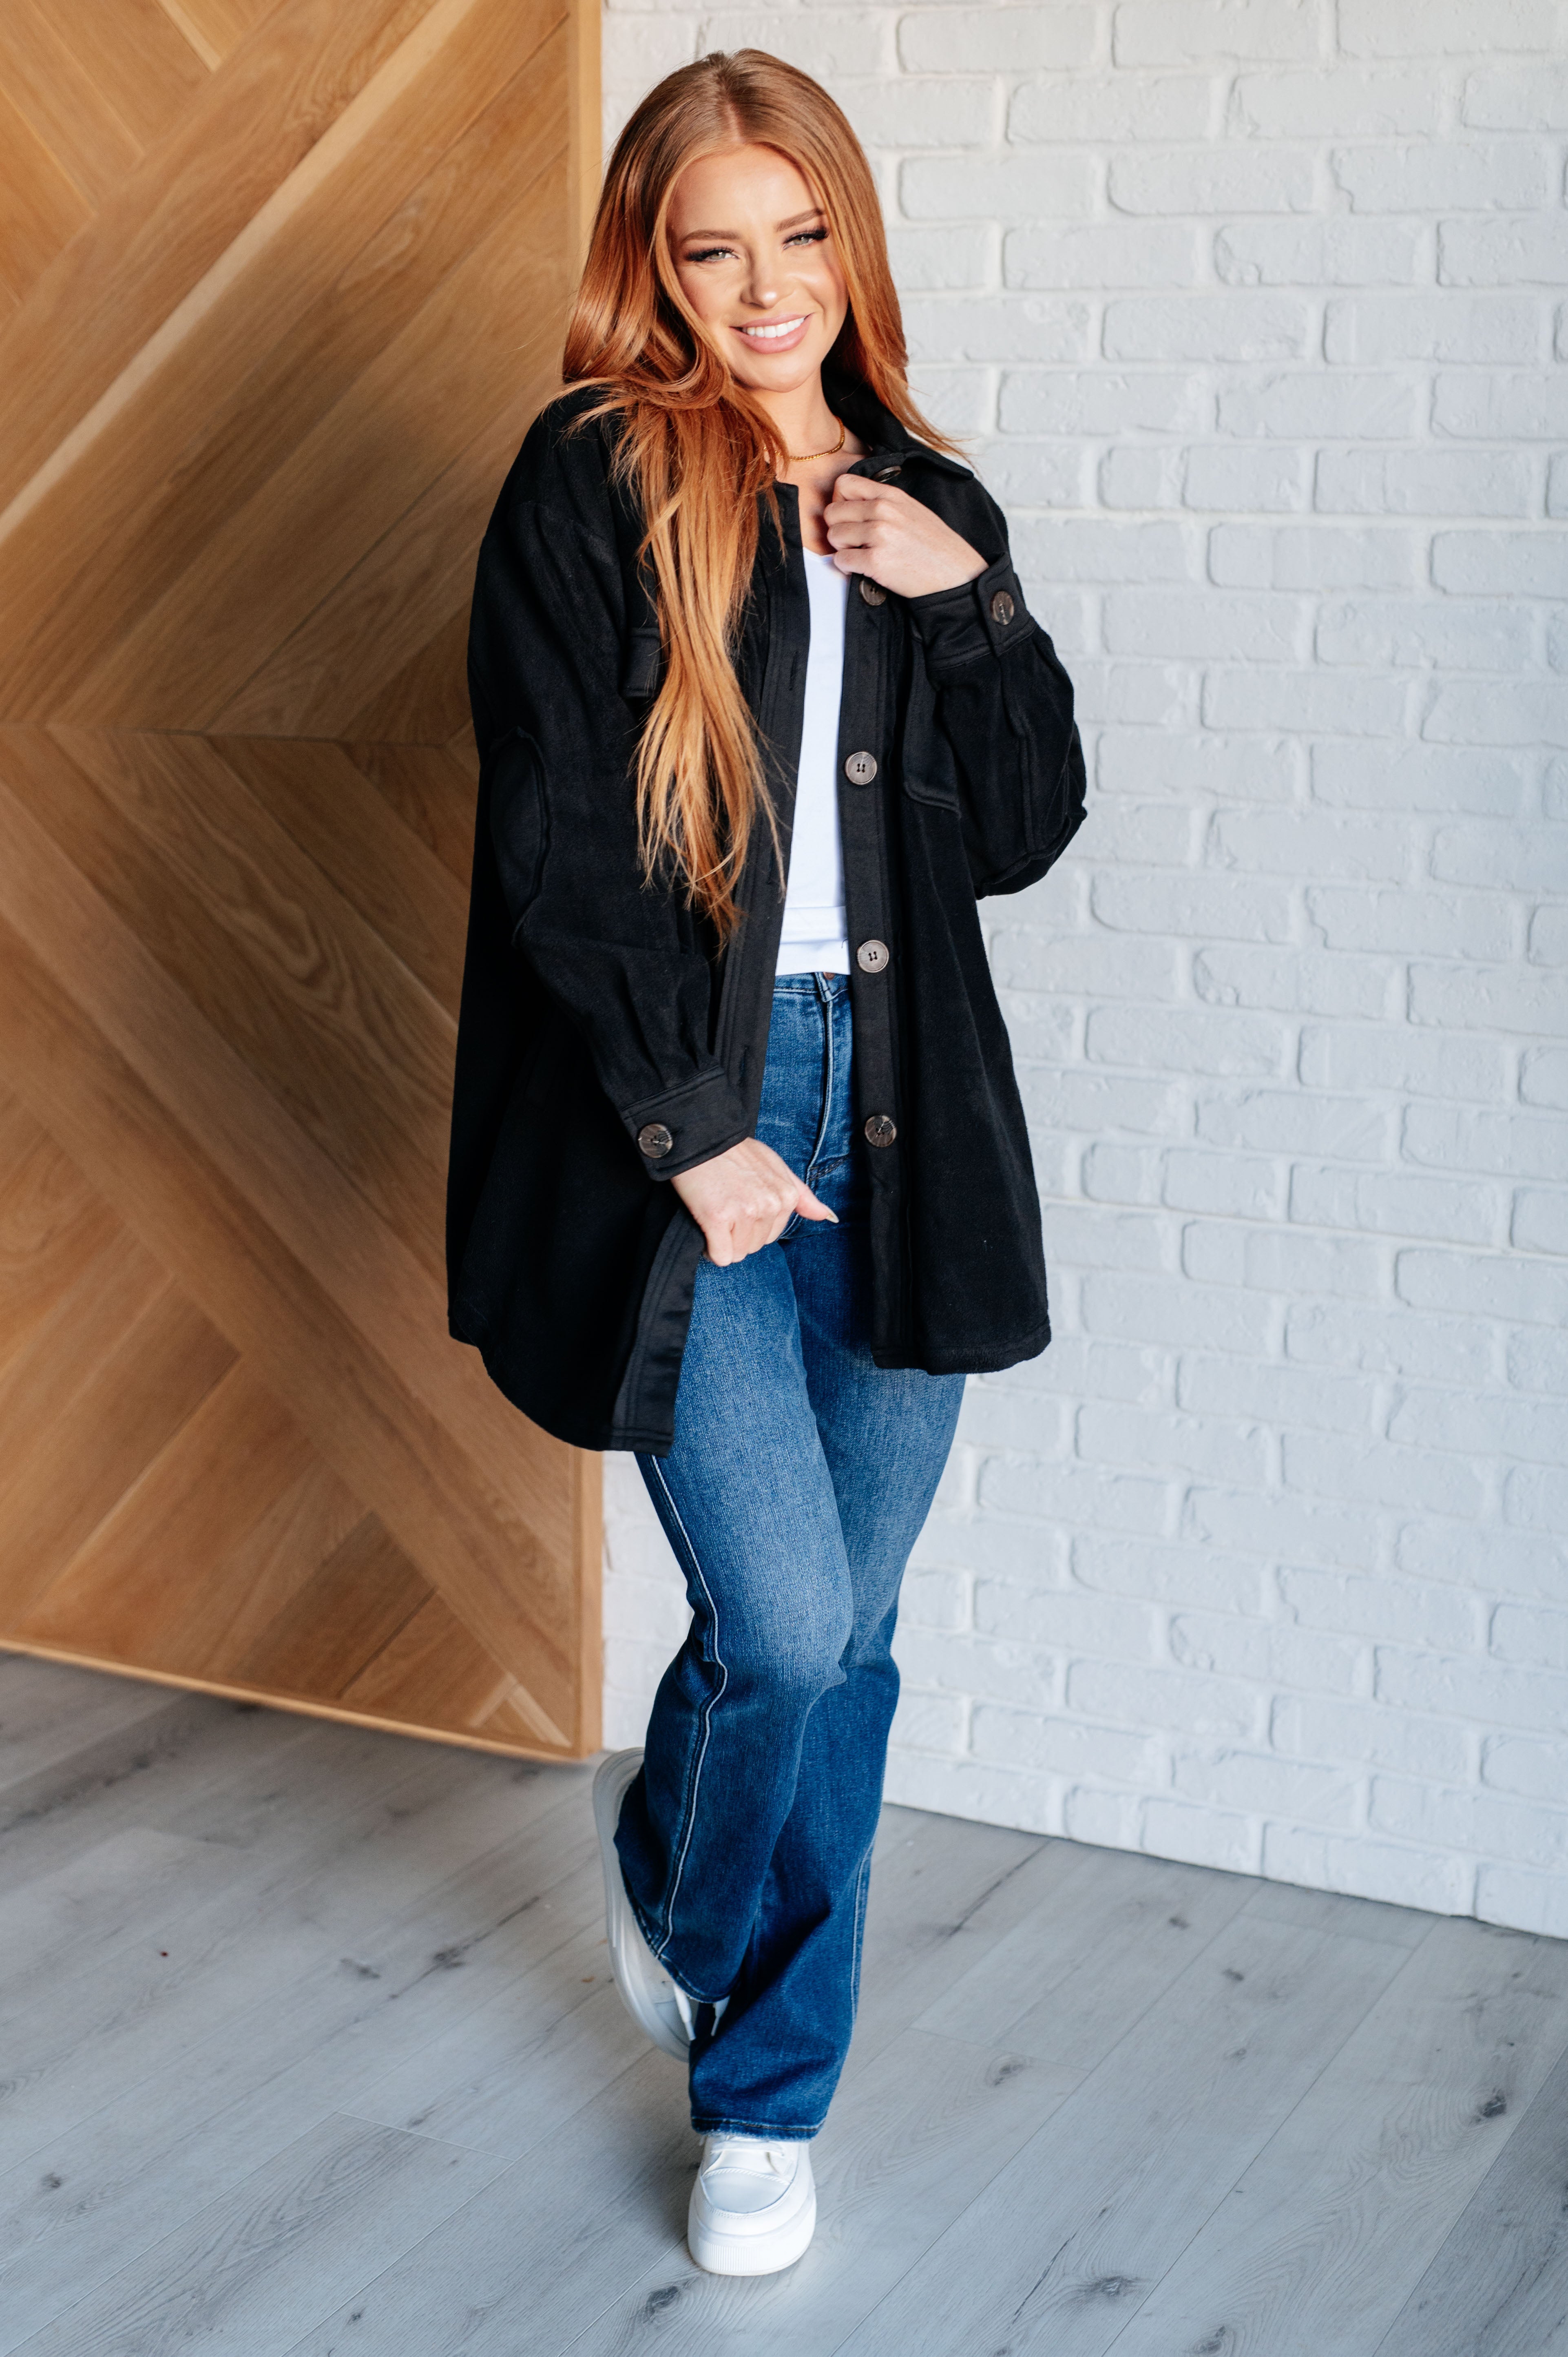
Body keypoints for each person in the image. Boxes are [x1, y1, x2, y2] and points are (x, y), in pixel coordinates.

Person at [447, 48, 1085, 2277]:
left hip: (905, 1114)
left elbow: (1016, 830)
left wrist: (956, 591)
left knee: (856, 1635)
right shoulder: (594, 475)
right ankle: (674, 1887)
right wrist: (690, 1134)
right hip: (699, 1123)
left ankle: (765, 2095)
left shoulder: (921, 493)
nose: (761, 286)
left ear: (848, 236)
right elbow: (558, 847)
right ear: (652, 258)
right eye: (710, 246)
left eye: (796, 234)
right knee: (785, 1626)